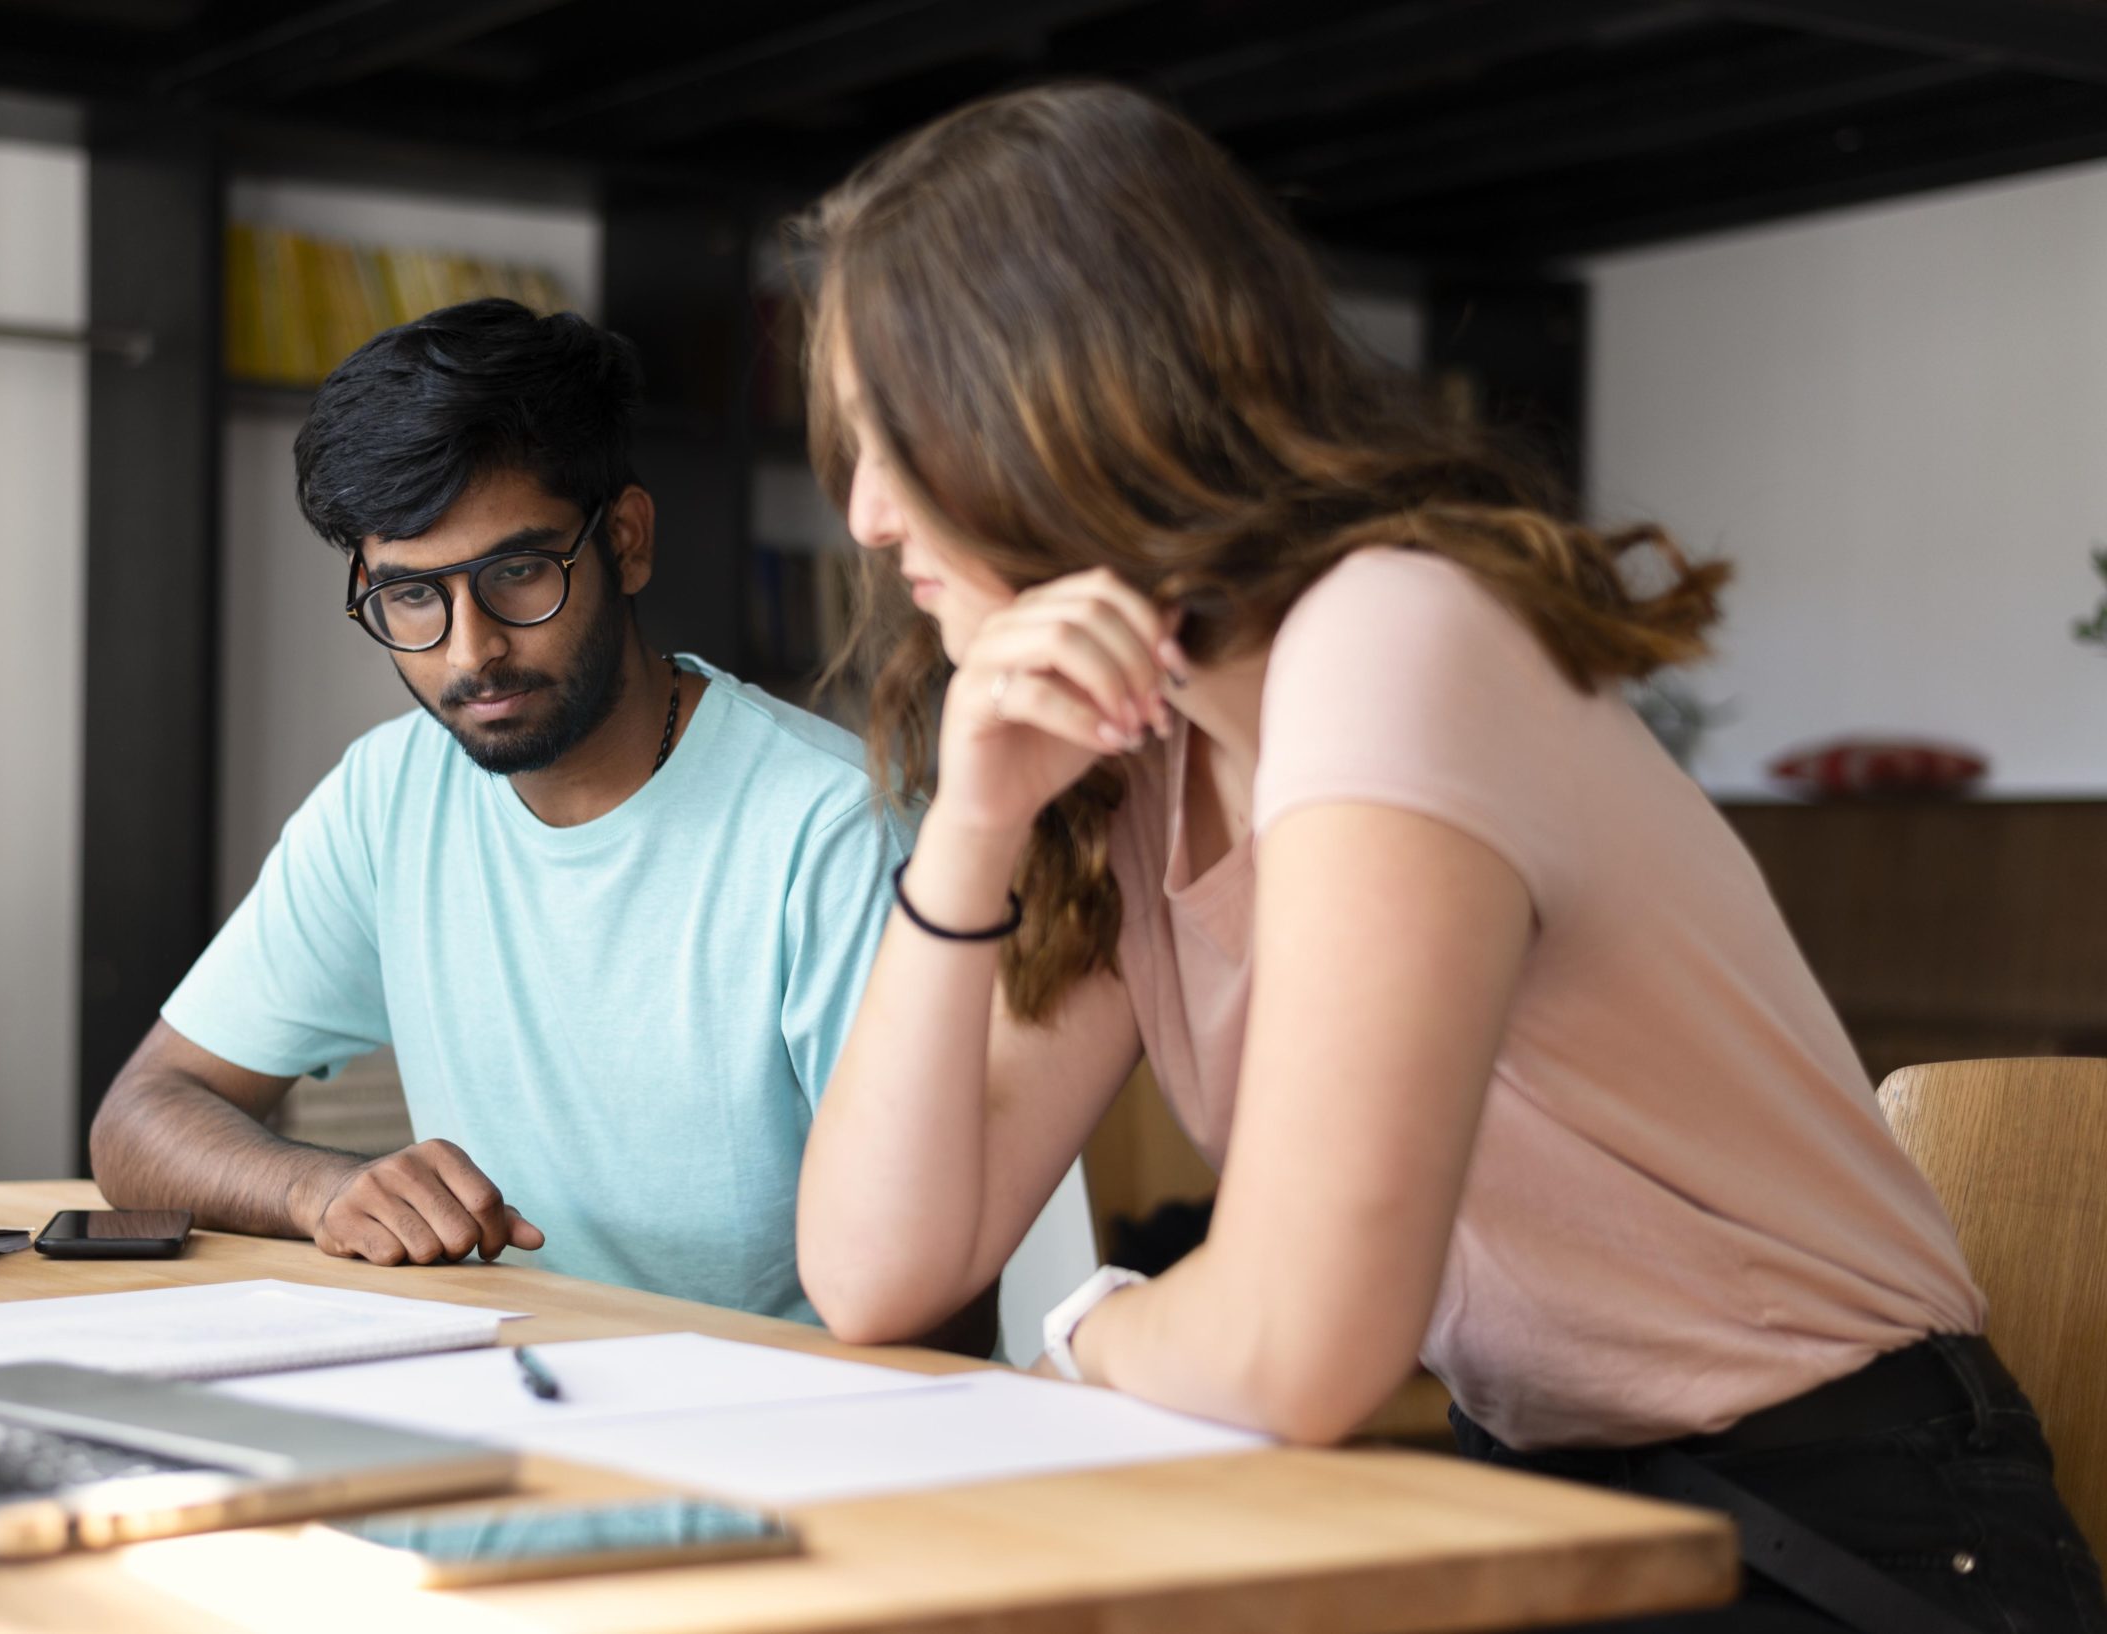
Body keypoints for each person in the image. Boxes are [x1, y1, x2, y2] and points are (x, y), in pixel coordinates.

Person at [790, 83, 2107, 1631]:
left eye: (898, 435)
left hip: (1850, 1529)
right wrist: (976, 819)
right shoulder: (1127, 766)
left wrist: (1088, 1339)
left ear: (1059, 396)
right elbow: (877, 1273)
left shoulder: (1389, 633)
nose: (869, 516)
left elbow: (1299, 1343)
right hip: (1542, 1505)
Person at [91, 298, 911, 1328]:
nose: (468, 650)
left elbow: (937, 1301)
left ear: (626, 540)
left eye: (517, 573)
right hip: (507, 1414)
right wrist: (323, 1190)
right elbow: (142, 1112)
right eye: (411, 596)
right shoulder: (388, 796)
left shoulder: (830, 831)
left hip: (775, 1443)